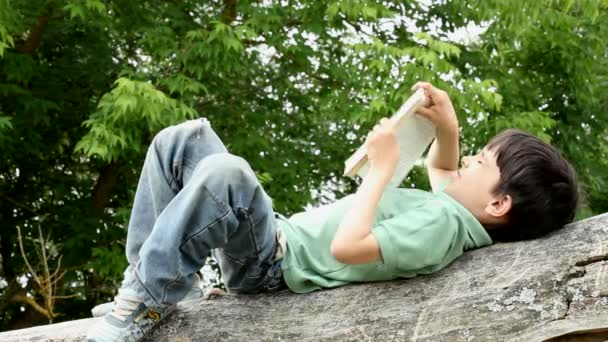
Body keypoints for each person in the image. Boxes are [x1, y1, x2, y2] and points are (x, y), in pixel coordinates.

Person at [86, 82, 579, 341]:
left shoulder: (443, 226)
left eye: (482, 160)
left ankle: (147, 301)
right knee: (184, 139)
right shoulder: (457, 210)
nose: (468, 159)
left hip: (276, 265)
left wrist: (381, 171)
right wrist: (446, 124)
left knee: (228, 175)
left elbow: (349, 247)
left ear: (499, 203)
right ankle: (143, 285)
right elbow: (444, 168)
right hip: (274, 241)